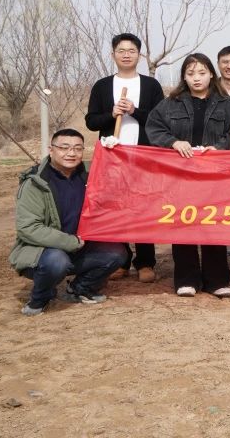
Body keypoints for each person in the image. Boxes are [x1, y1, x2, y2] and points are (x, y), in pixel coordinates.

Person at [146, 53, 230, 298]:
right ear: (184, 77)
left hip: (214, 176)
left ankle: (217, 280)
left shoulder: (227, 105)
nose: (196, 78)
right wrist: (173, 142)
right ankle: (186, 279)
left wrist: (219, 148)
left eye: (201, 73)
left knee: (213, 223)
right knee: (183, 223)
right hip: (181, 175)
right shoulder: (171, 103)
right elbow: (154, 127)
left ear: (211, 74)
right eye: (190, 74)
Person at [10, 129, 129, 316]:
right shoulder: (36, 184)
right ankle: (40, 298)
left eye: (77, 148)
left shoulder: (88, 174)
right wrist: (70, 242)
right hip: (43, 251)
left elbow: (120, 175)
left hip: (80, 246)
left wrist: (115, 154)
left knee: (117, 253)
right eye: (64, 148)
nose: (71, 153)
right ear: (51, 150)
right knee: (56, 261)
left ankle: (80, 288)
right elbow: (28, 228)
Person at [83, 32, 164, 283]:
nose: (126, 55)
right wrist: (111, 113)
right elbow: (91, 122)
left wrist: (134, 110)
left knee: (143, 208)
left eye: (131, 51)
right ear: (113, 54)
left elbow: (160, 120)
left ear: (139, 55)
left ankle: (145, 262)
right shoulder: (102, 86)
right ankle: (121, 260)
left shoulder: (150, 86)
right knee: (115, 208)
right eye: (121, 51)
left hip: (143, 158)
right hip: (112, 157)